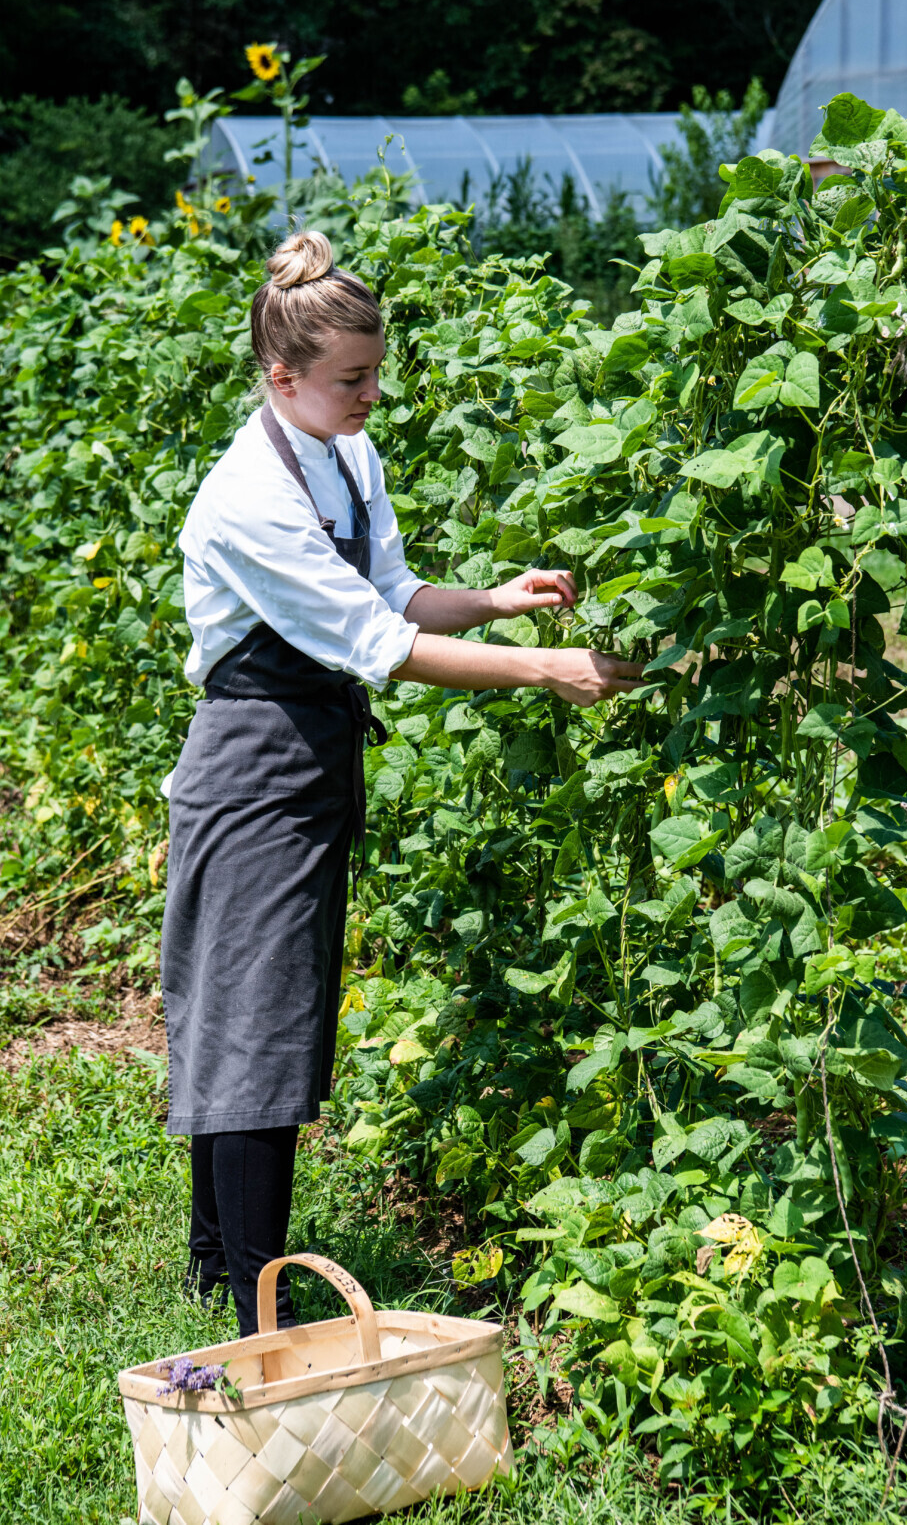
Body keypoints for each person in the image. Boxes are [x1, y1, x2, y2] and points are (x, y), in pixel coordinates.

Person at [160, 228, 643, 1336]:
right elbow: (377, 644)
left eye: (376, 371)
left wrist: (499, 599)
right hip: (248, 764)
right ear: (281, 377)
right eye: (350, 378)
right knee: (257, 1028)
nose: (372, 393)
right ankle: (255, 1312)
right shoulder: (247, 495)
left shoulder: (342, 451)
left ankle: (213, 1262)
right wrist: (545, 669)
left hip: (312, 755)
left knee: (268, 1014)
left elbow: (393, 592)